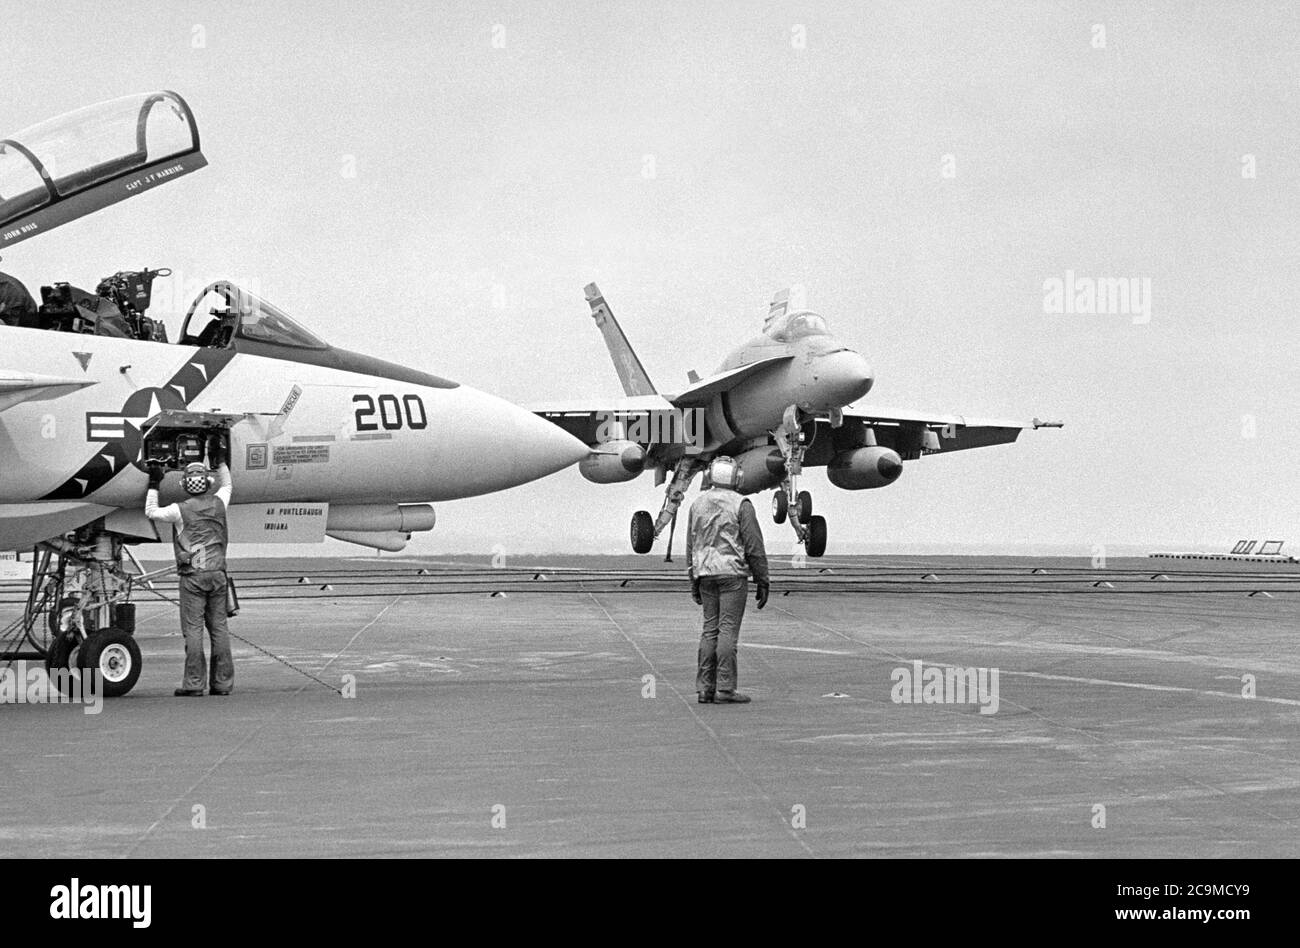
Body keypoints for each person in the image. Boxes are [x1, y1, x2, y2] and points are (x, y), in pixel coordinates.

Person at [144, 436, 235, 697]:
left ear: (185, 484)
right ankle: (222, 684)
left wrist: (154, 482)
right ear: (207, 483)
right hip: (218, 573)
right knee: (219, 628)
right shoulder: (219, 502)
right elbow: (227, 484)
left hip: (193, 576)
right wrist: (220, 460)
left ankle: (194, 684)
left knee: (193, 631)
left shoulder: (178, 510)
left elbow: (151, 511)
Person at [686, 455, 770, 705]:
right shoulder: (741, 504)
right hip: (732, 575)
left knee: (709, 630)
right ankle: (725, 689)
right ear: (737, 477)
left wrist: (693, 580)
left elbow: (691, 545)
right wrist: (762, 579)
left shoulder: (697, 504)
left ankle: (705, 689)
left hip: (705, 574)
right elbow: (754, 545)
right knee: (727, 631)